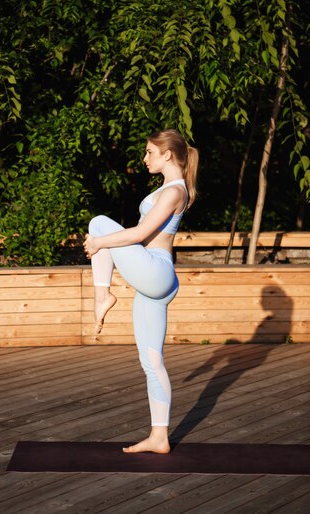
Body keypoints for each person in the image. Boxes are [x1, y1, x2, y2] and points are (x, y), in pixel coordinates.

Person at [83, 129, 199, 454]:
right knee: (151, 360)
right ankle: (159, 436)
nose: (145, 158)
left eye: (150, 152)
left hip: (157, 269)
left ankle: (102, 296)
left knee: (99, 224)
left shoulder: (175, 190)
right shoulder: (168, 188)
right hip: (155, 281)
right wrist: (103, 245)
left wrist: (100, 243)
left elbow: (142, 232)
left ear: (167, 154)